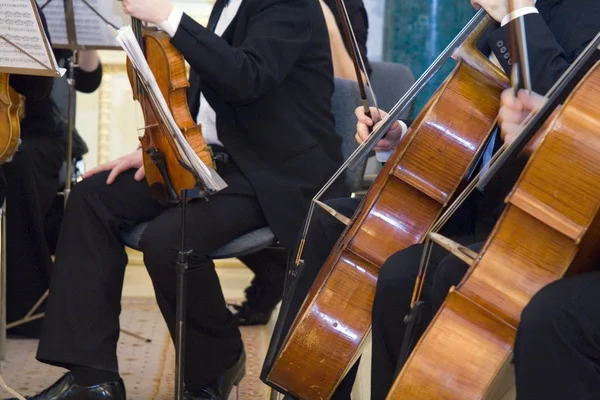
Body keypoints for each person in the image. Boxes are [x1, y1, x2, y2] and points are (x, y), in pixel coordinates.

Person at [262, 0, 600, 398]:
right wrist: (402, 139)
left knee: (409, 274)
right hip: (466, 196)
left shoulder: (580, 11)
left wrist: (515, 15)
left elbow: (569, 112)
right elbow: (473, 117)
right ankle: (308, 386)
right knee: (331, 223)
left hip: (530, 214)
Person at [14, 0, 345, 398]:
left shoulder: (291, 6)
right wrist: (161, 147)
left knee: (169, 240)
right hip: (207, 159)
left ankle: (216, 365)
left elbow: (246, 78)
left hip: (272, 173)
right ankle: (92, 378)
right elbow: (204, 99)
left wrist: (169, 18)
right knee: (92, 197)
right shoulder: (230, 4)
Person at [233, 0, 371, 326]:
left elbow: (354, 80)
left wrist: (325, 16)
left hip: (316, 138)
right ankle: (274, 274)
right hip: (265, 127)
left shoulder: (345, 6)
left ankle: (280, 278)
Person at [6, 48, 102, 339]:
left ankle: (24, 309)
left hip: (35, 133)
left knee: (15, 166)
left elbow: (52, 86)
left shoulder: (29, 14)